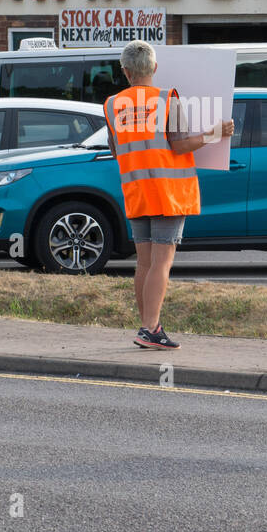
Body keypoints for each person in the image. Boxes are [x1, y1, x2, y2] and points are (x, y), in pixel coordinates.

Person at [104, 41, 233, 350]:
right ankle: (150, 329)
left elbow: (114, 149)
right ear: (155, 68)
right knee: (162, 264)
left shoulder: (111, 105)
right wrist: (217, 132)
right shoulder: (165, 99)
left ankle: (148, 326)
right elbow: (180, 145)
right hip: (169, 193)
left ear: (125, 71)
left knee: (144, 265)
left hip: (136, 192)